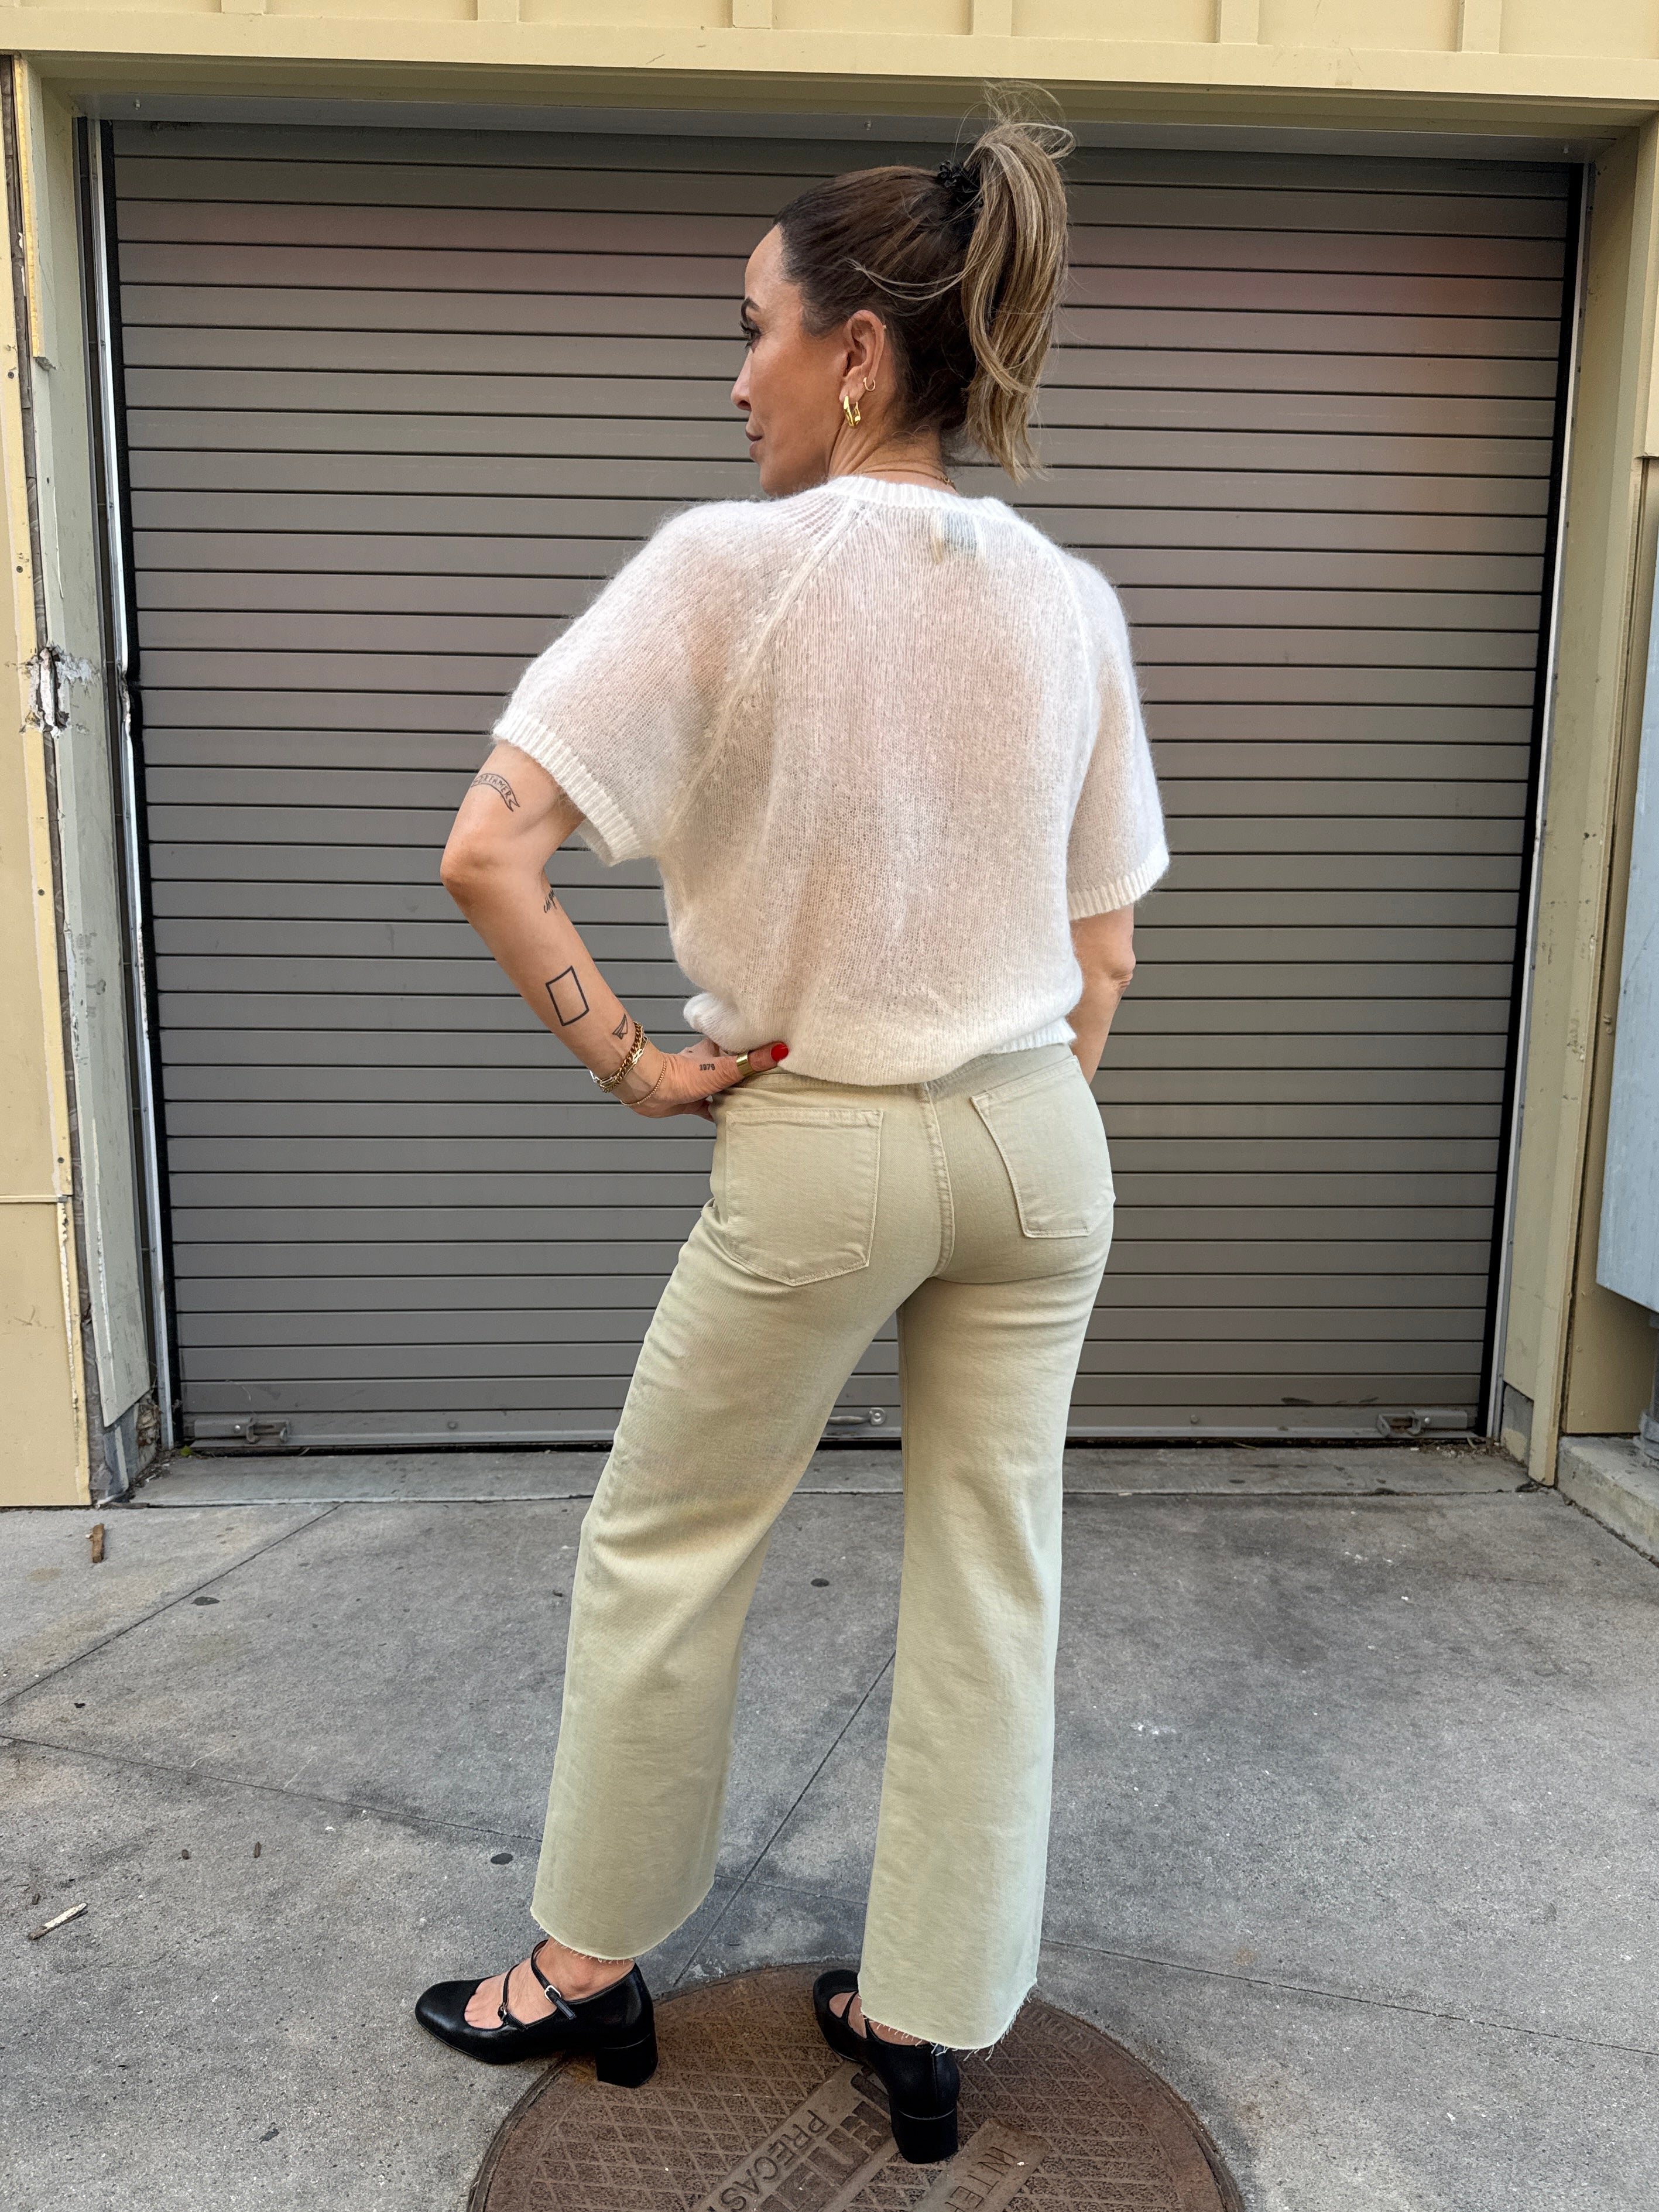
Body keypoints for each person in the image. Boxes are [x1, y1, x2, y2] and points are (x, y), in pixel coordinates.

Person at [415, 103, 1168, 2166]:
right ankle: (925, 2014)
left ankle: (582, 1964)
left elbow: (491, 847)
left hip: (811, 1137)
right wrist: (1005, 1120)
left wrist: (636, 1069)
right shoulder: (1066, 599)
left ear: (856, 352)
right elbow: (1102, 947)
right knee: (992, 1575)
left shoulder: (724, 569)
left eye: (748, 327)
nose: (729, 371)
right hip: (1034, 1147)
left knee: (669, 1540)